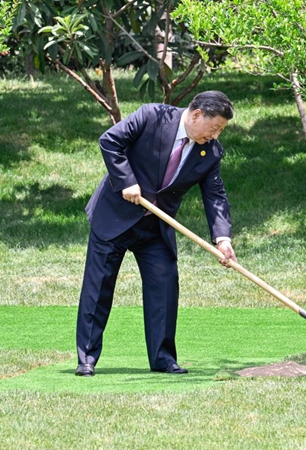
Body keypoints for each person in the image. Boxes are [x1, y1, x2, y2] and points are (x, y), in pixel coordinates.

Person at [75, 91, 237, 377]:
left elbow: (215, 196)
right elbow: (110, 141)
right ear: (197, 114)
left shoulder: (210, 151)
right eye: (214, 128)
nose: (215, 136)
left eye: (221, 130)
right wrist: (126, 181)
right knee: (99, 287)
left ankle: (163, 358)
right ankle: (86, 357)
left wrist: (222, 238)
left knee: (164, 286)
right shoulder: (152, 116)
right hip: (114, 216)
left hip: (156, 227)